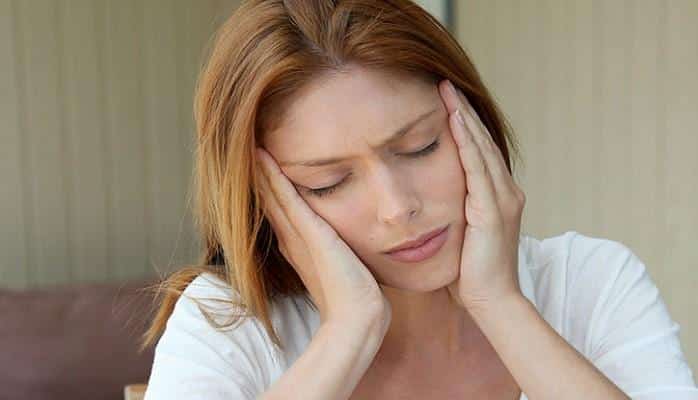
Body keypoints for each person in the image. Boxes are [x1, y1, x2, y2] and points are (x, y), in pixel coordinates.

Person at [141, 0, 698, 399]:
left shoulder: (593, 284)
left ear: (474, 123)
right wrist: (347, 333)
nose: (396, 207)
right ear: (266, 199)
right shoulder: (228, 324)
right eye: (328, 183)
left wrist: (501, 304)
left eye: (420, 146)